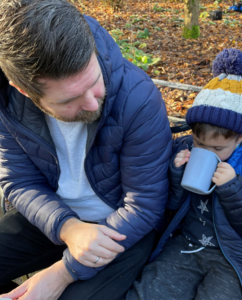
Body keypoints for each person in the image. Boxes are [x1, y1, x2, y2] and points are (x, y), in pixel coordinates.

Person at [0, 0, 172, 299]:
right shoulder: (7, 103)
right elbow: (19, 181)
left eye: (94, 82)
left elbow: (145, 205)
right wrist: (68, 228)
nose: (93, 104)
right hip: (51, 216)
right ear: (23, 90)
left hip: (122, 230)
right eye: (69, 101)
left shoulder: (138, 97)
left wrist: (64, 272)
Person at [126, 48, 242, 300]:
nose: (206, 152)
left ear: (240, 138)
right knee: (148, 292)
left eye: (218, 148)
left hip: (233, 255)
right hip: (186, 242)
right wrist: (176, 174)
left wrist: (232, 188)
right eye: (199, 143)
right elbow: (170, 205)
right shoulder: (184, 147)